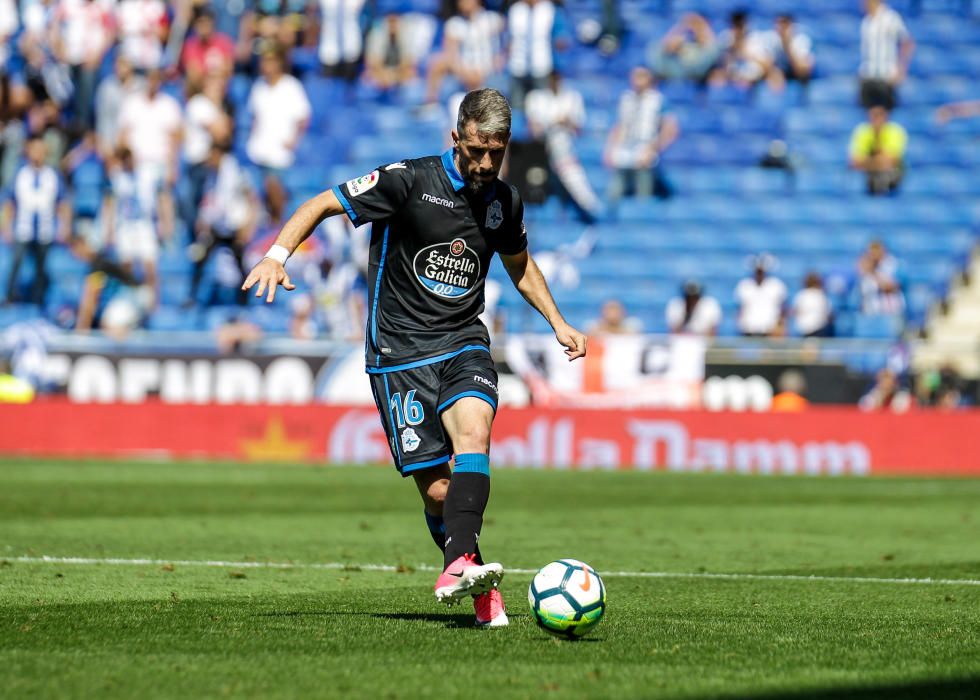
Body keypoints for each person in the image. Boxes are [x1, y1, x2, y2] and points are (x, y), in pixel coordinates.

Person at [242, 88, 587, 628]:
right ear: (456, 138)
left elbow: (519, 265)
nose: (484, 162)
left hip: (462, 340)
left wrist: (559, 321)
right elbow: (321, 203)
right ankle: (474, 582)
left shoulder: (504, 201)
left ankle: (457, 566)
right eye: (475, 150)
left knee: (475, 433)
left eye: (495, 152)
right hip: (398, 352)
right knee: (439, 491)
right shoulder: (407, 181)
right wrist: (276, 255)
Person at [187, 140, 260, 306]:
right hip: (218, 227)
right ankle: (192, 297)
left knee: (241, 266)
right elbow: (211, 202)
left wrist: (249, 225)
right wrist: (203, 221)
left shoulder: (236, 173)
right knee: (201, 259)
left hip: (236, 226)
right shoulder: (212, 176)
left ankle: (245, 301)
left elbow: (253, 200)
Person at [525, 71, 601, 223]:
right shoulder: (536, 98)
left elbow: (579, 128)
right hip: (540, 148)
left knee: (568, 168)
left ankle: (590, 206)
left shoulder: (572, 98)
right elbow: (534, 130)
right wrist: (554, 122)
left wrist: (565, 122)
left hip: (564, 146)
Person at [2, 135, 70, 305]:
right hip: (23, 227)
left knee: (42, 267)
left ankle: (38, 301)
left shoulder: (52, 175)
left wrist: (64, 226)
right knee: (16, 263)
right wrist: (5, 226)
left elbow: (62, 203)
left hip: (44, 229)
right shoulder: (21, 174)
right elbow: (10, 202)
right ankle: (10, 298)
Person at [604, 67, 678, 204]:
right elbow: (619, 126)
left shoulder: (657, 100)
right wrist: (610, 149)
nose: (636, 81)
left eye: (640, 77)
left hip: (645, 149)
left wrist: (654, 148)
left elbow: (670, 128)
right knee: (614, 192)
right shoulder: (626, 98)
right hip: (624, 149)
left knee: (642, 194)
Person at [859, 0, 914, 110]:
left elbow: (907, 42)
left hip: (887, 76)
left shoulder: (891, 18)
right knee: (868, 113)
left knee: (885, 112)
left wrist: (901, 69)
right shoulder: (866, 22)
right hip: (868, 76)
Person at [849, 105, 907, 196]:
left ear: (886, 117)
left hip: (892, 175)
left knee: (887, 176)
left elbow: (890, 161)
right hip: (868, 175)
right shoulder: (862, 131)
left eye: (879, 115)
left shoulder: (895, 131)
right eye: (874, 115)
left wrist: (866, 162)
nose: (877, 120)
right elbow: (855, 162)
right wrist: (879, 161)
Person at [648, 12, 720, 83]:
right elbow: (655, 60)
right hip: (670, 83)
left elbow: (700, 67)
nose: (693, 28)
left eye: (697, 26)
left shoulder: (706, 53)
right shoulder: (665, 56)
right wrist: (680, 28)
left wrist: (701, 27)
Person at [735, 254, 787, 337]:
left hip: (770, 329)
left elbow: (782, 308)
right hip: (748, 329)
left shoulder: (776, 285)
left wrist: (780, 327)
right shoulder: (745, 285)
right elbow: (740, 309)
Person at [857, 240, 905, 315]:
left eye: (877, 250)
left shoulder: (893, 264)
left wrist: (872, 272)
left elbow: (891, 286)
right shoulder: (866, 265)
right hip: (871, 311)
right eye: (871, 251)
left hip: (890, 310)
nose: (874, 254)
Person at [791, 272, 832, 337]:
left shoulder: (801, 295)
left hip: (808, 329)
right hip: (816, 328)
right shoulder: (821, 295)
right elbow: (828, 314)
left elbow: (795, 311)